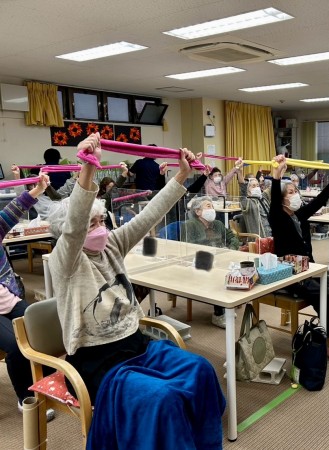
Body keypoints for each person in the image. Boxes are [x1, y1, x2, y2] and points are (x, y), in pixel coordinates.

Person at [46, 134, 225, 448]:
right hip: (98, 363)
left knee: (201, 370)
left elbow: (149, 215)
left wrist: (182, 175)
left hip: (137, 346)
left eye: (101, 220)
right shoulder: (66, 260)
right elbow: (74, 224)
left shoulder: (112, 244)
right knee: (162, 400)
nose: (100, 228)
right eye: (91, 224)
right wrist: (88, 167)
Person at [269, 155, 329, 362]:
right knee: (328, 295)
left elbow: (319, 200)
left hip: (308, 269)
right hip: (290, 274)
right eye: (290, 192)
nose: (295, 195)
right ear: (282, 199)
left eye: (296, 191)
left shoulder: (298, 215)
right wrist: (276, 176)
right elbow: (274, 200)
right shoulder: (277, 217)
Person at [0, 171, 55, 420]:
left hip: (9, 300)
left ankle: (45, 382)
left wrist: (38, 189)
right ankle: (26, 397)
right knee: (16, 345)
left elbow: (13, 210)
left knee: (44, 327)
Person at [183, 196, 240, 328]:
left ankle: (226, 304)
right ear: (198, 211)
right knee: (217, 273)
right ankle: (218, 314)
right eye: (208, 206)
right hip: (200, 260)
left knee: (235, 269)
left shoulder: (218, 224)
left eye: (213, 206)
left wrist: (231, 249)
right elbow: (188, 247)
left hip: (221, 257)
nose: (212, 209)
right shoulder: (190, 225)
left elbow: (232, 237)